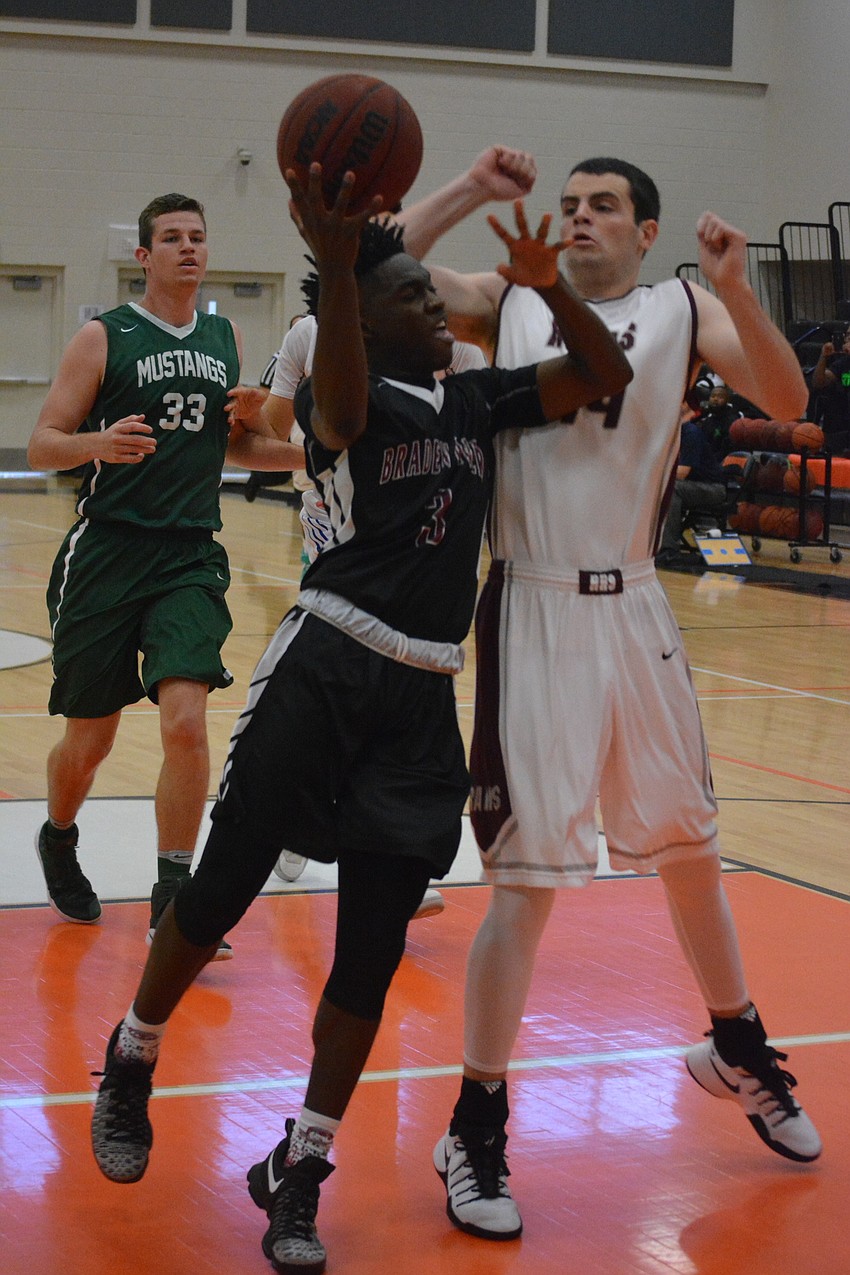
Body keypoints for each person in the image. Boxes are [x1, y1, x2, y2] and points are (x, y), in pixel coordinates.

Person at [88, 164, 631, 1275]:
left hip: (422, 693)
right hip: (326, 665)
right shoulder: (345, 398)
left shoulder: (474, 398)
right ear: (369, 319)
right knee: (221, 887)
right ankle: (134, 1053)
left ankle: (301, 1171)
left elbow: (601, 373)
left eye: (436, 294)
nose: (438, 307)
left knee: (371, 951)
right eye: (415, 297)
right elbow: (333, 404)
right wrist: (337, 269)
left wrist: (547, 285)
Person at [398, 152, 823, 1241]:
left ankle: (734, 1043)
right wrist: (472, 189)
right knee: (526, 882)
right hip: (532, 603)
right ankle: (474, 1125)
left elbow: (788, 400)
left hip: (637, 602)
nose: (580, 218)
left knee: (691, 846)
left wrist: (737, 288)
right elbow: (384, 258)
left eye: (604, 207)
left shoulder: (683, 307)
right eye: (570, 204)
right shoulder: (508, 301)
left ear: (645, 234)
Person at [28, 192, 304, 959]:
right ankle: (58, 834)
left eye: (198, 237)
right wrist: (96, 443)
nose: (189, 248)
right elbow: (43, 442)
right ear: (144, 256)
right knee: (91, 741)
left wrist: (317, 454)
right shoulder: (103, 336)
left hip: (188, 554)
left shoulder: (224, 336)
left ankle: (175, 897)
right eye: (173, 238)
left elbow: (228, 446)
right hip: (107, 554)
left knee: (185, 719)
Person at [233, 313, 487, 907]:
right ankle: (291, 815)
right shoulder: (309, 335)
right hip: (336, 528)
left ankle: (383, 857)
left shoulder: (458, 350)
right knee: (329, 687)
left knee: (396, 699)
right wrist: (309, 451)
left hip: (423, 537)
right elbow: (257, 442)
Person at [656, 405, 729, 561]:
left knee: (672, 489)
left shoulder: (690, 434)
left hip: (713, 488)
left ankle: (668, 549)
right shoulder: (669, 436)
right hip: (693, 485)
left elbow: (682, 473)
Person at [810, 326, 850, 454]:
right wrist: (823, 357)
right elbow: (818, 382)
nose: (848, 339)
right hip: (841, 428)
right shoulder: (843, 363)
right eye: (847, 335)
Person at [697, 382, 742, 459]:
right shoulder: (707, 421)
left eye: (720, 397)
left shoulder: (732, 421)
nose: (715, 399)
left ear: (727, 400)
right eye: (713, 396)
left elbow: (728, 449)